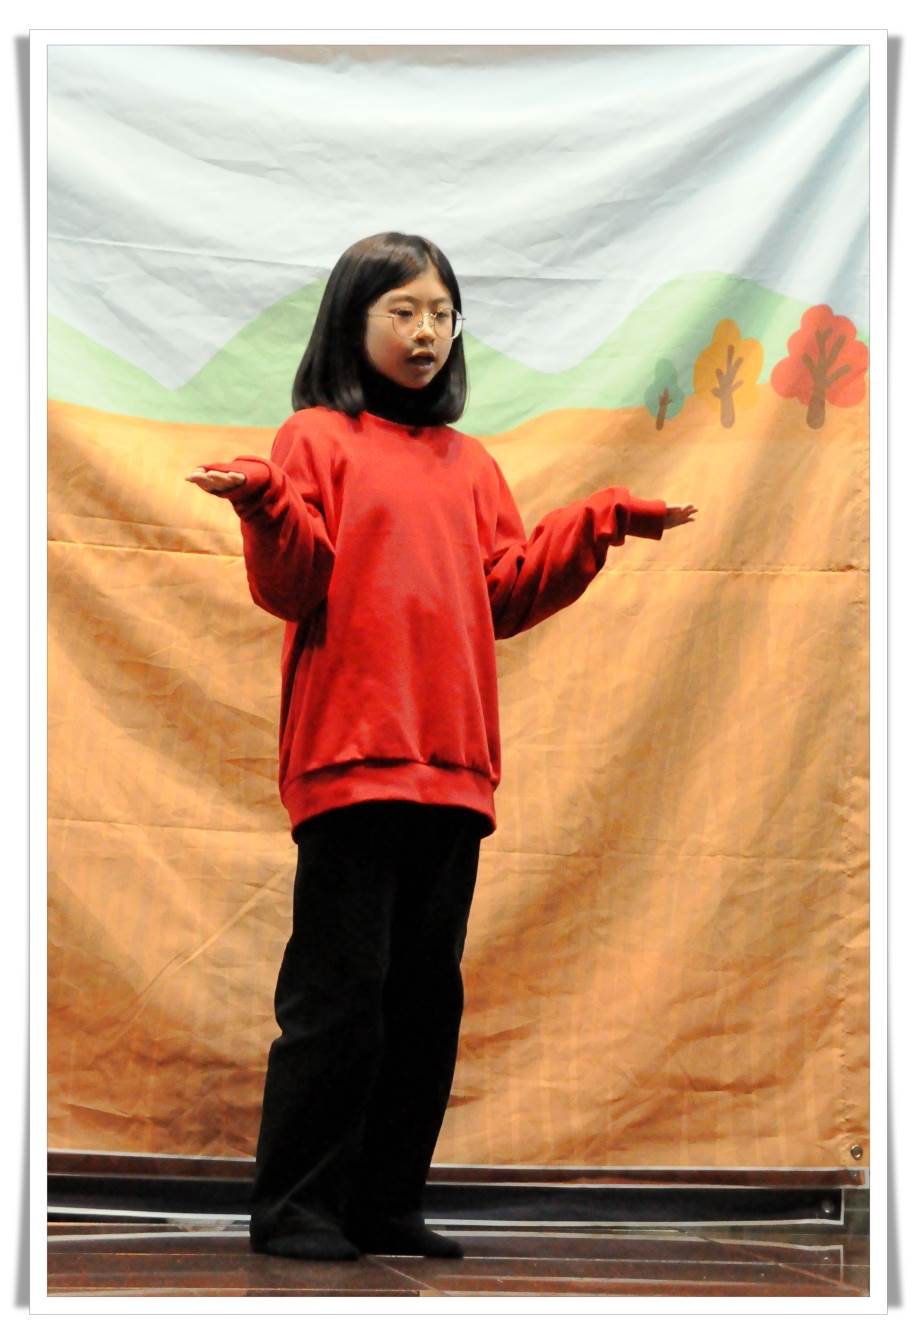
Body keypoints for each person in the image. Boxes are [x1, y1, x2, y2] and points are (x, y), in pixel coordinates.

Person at [185, 231, 697, 1263]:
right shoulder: (314, 439)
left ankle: (383, 1205)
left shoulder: (471, 465)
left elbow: (502, 592)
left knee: (424, 1001)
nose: (425, 332)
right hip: (348, 760)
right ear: (352, 322)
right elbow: (292, 584)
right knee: (338, 995)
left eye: (441, 314)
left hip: (454, 768)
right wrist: (265, 500)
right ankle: (296, 1209)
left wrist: (596, 522)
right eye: (403, 311)